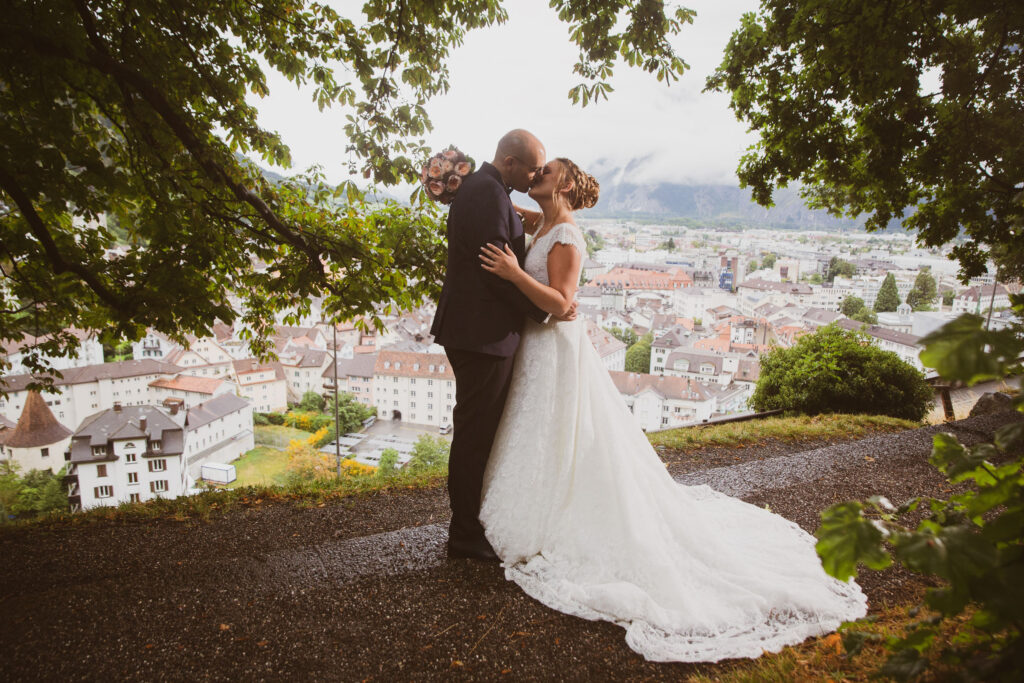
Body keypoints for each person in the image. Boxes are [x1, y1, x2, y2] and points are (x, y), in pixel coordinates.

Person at [477, 157, 867, 662]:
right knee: (545, 432)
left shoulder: (568, 236)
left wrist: (511, 272)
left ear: (566, 182)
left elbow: (559, 302)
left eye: (546, 169)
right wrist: (461, 183)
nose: (537, 175)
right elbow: (500, 201)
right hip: (539, 348)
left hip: (555, 345)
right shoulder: (543, 221)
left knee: (567, 432)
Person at [429, 129, 575, 561]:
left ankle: (471, 523)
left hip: (477, 331)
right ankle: (464, 533)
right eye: (531, 168)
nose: (534, 177)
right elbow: (497, 268)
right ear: (510, 162)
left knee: (479, 432)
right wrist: (547, 311)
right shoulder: (488, 193)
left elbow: (529, 231)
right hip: (482, 334)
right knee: (475, 434)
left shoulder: (487, 190)